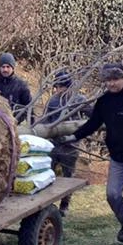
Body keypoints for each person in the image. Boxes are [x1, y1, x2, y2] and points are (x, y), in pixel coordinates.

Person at [61, 62, 123, 245]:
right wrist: (74, 136)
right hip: (118, 156)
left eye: (115, 79)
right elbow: (93, 123)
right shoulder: (105, 101)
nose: (111, 84)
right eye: (108, 80)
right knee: (112, 194)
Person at [38, 68, 90, 213]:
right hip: (54, 144)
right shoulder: (53, 101)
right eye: (58, 87)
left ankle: (64, 205)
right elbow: (46, 120)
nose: (60, 90)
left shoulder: (79, 100)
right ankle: (45, 204)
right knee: (48, 174)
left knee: (68, 176)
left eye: (63, 87)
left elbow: (92, 115)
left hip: (71, 145)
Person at [0, 52, 31, 124]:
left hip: (16, 125)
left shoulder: (22, 86)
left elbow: (29, 108)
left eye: (8, 67)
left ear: (13, 68)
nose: (5, 70)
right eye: (3, 67)